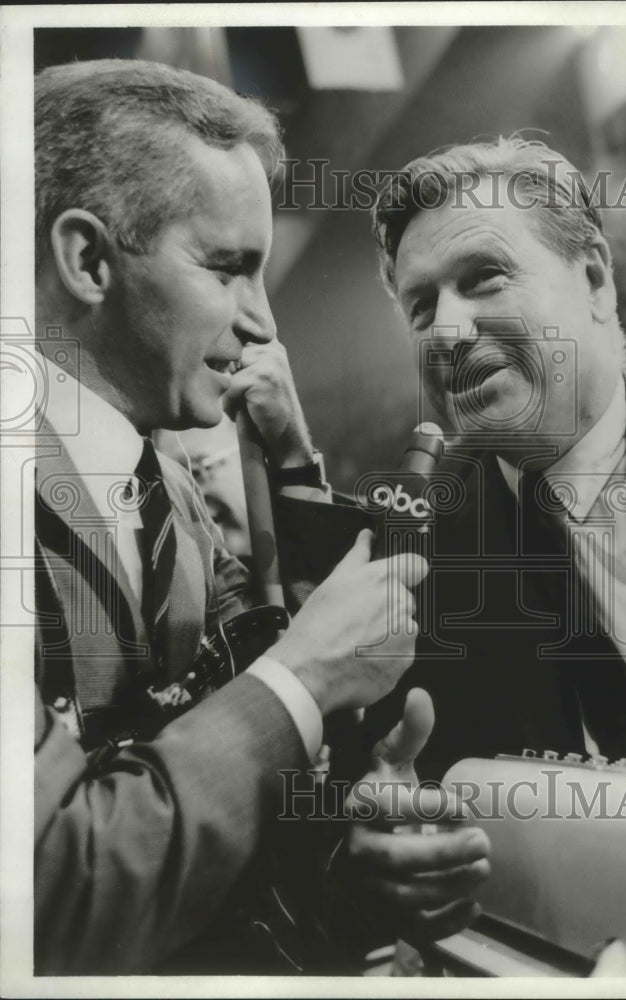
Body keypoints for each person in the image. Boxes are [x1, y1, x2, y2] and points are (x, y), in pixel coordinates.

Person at [32, 59, 489, 975]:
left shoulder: (174, 499)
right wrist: (304, 678)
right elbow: (53, 892)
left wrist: (348, 862)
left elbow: (194, 811)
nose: (263, 325)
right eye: (230, 268)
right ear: (87, 260)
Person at [355, 135, 626, 781]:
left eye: (483, 277)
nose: (446, 331)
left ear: (593, 279)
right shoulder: (409, 554)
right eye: (421, 308)